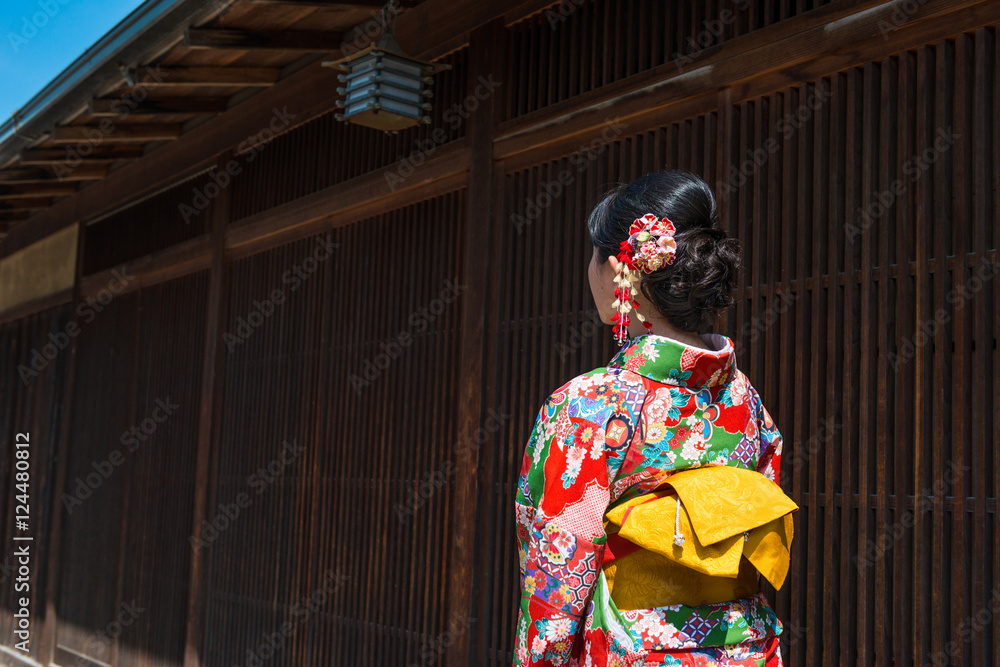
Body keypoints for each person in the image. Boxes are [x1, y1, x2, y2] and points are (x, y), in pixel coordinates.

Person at [512, 170, 796, 667]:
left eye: (594, 255)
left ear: (625, 271)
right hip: (742, 648)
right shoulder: (745, 401)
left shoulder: (590, 405)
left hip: (632, 651)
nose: (588, 271)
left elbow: (557, 578)